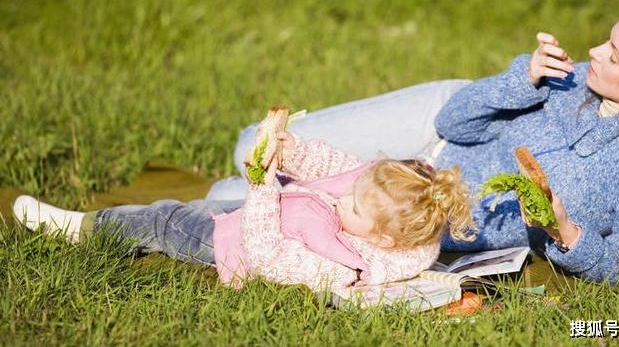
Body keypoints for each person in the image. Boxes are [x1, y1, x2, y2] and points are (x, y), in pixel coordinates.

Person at [212, 0, 619, 284]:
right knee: (247, 149)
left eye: (614, 54)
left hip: (415, 207)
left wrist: (566, 234)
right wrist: (524, 81)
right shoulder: (570, 78)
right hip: (430, 131)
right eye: (608, 38)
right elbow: (456, 122)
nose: (593, 50)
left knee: (233, 205)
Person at [12, 127, 476, 292]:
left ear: (381, 241)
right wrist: (292, 153)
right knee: (195, 204)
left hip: (237, 241)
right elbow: (337, 167)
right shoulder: (389, 214)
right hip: (273, 207)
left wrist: (261, 189)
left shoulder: (341, 265)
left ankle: (79, 227)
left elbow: (267, 253)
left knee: (164, 220)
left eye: (353, 206)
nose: (344, 198)